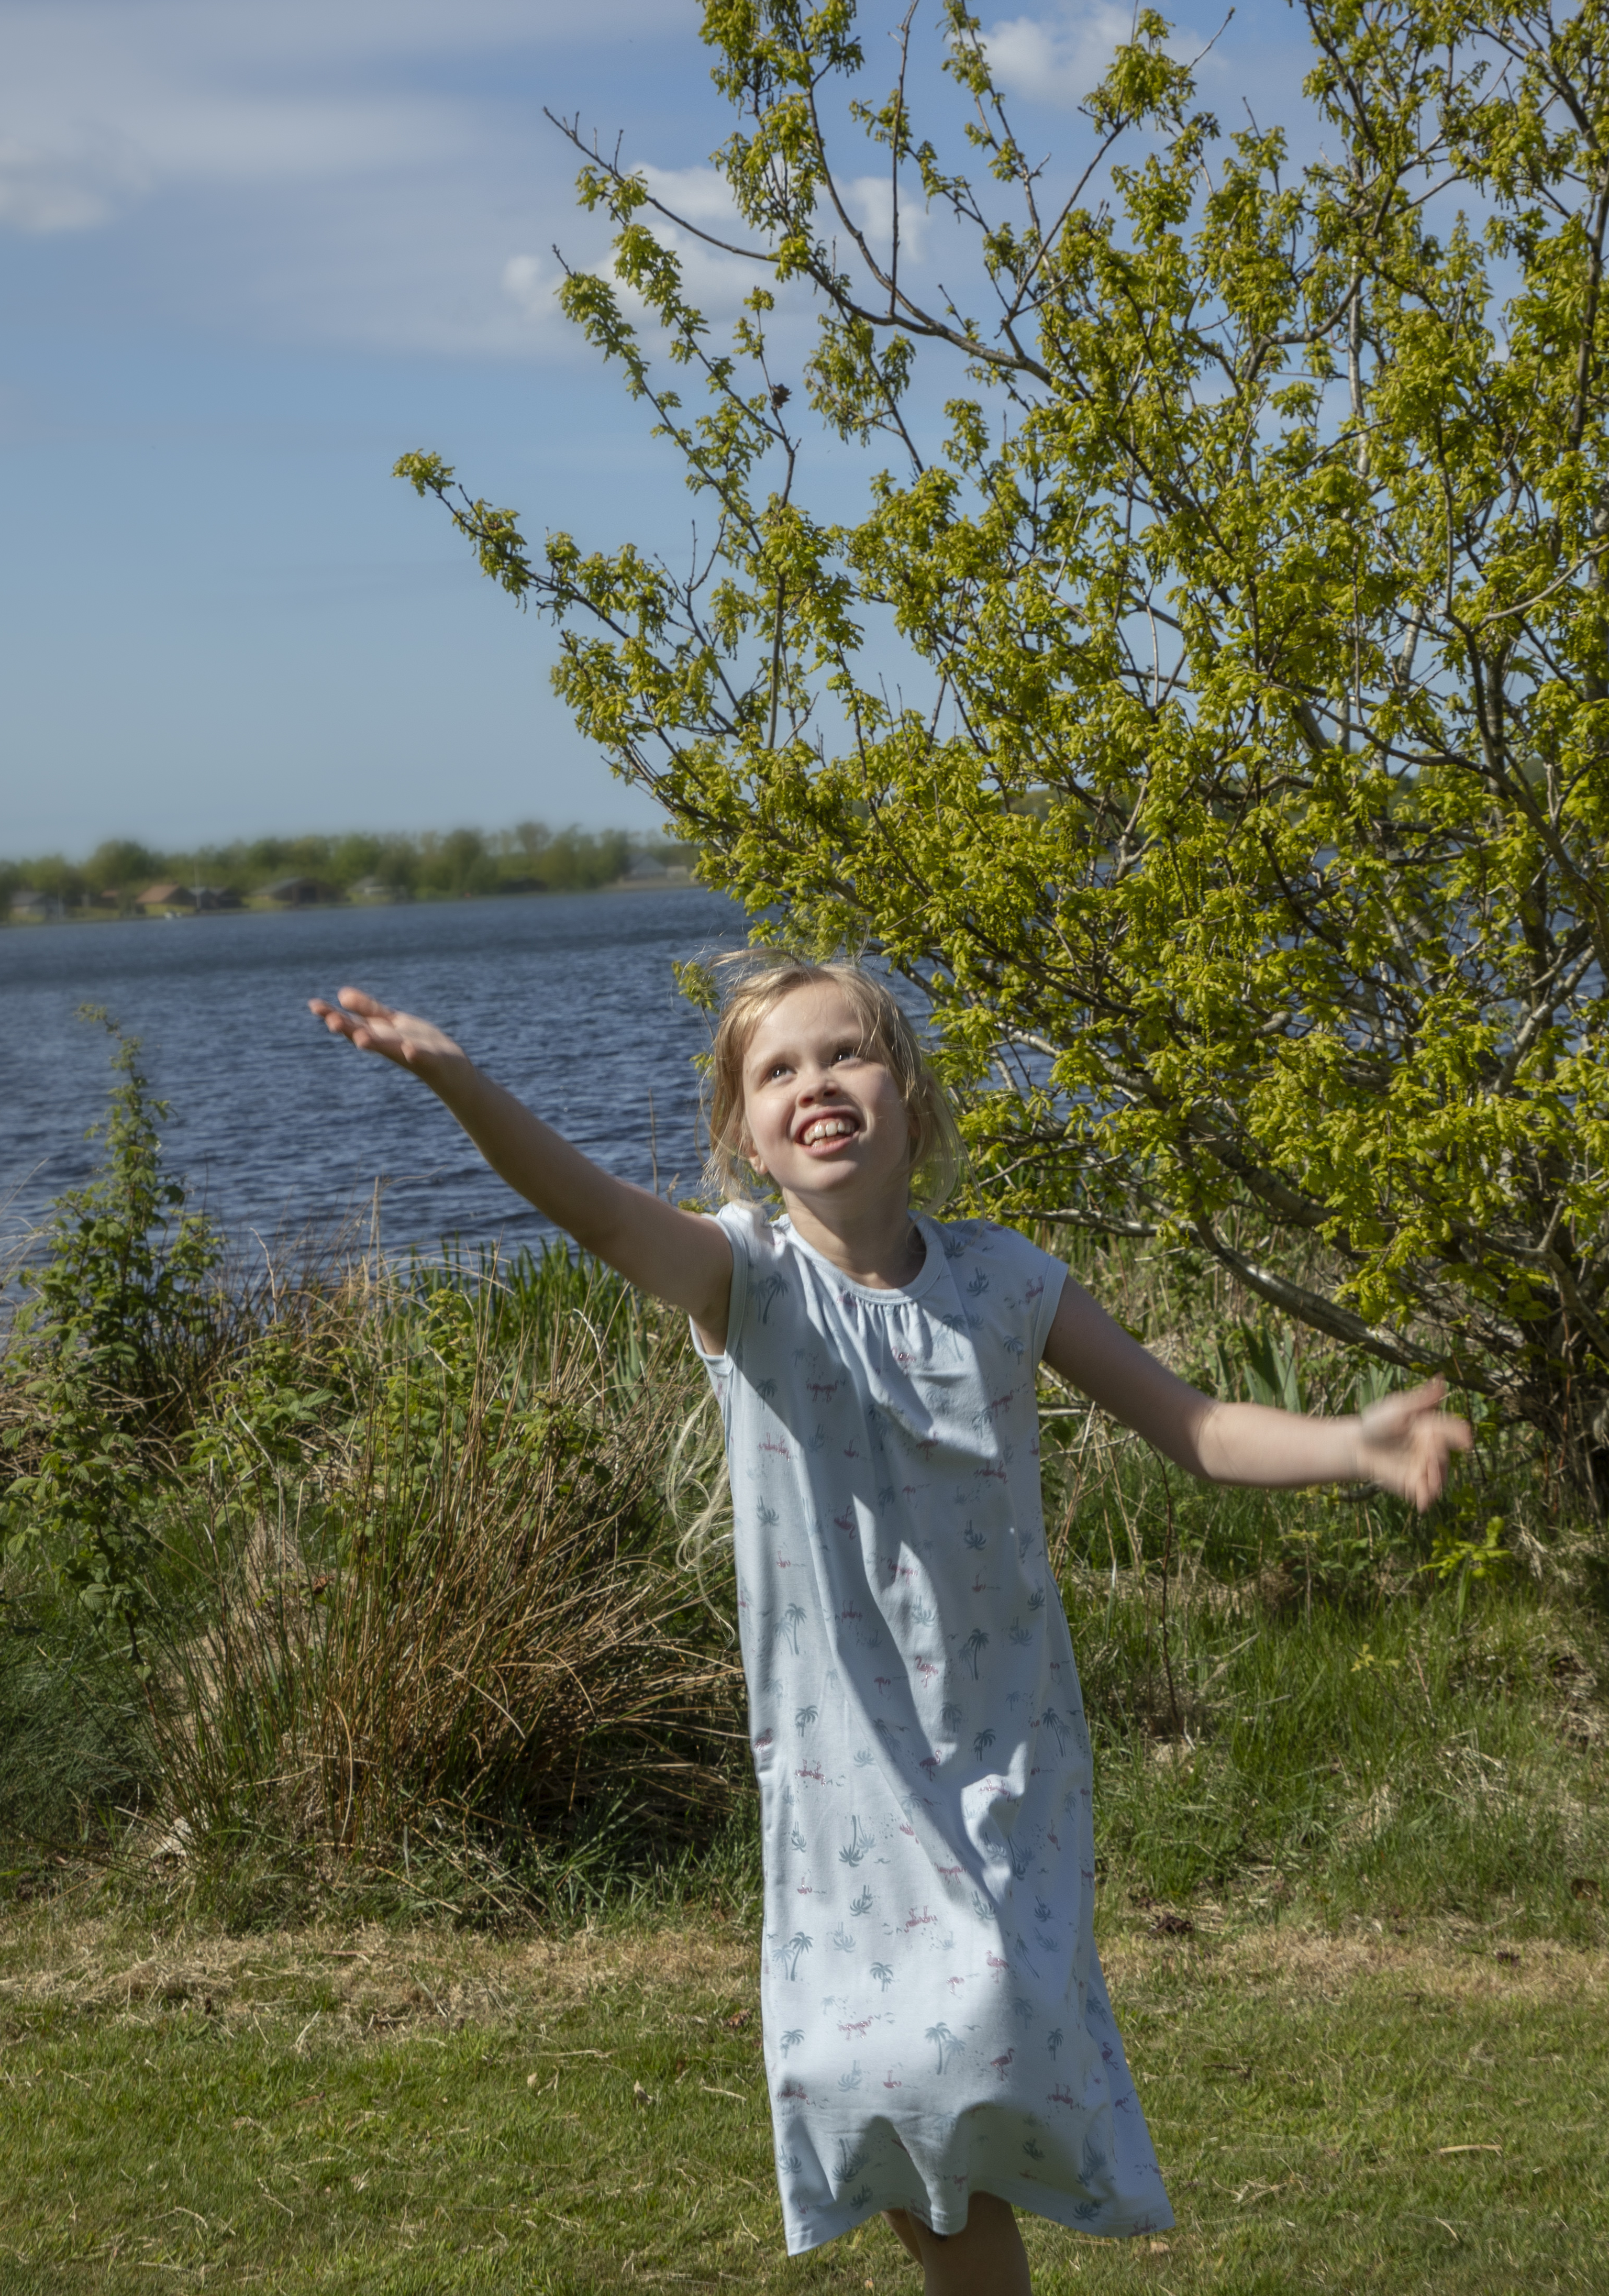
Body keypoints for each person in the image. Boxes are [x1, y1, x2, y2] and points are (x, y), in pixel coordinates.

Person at [311, 956, 1469, 2296]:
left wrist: (1354, 1443)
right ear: (742, 1135)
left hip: (1002, 1750)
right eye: (778, 1070)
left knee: (973, 2045)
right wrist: (462, 1083)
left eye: (847, 1054)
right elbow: (598, 1216)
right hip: (843, 1759)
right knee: (891, 2070)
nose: (818, 1084)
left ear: (910, 1100)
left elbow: (1198, 1427)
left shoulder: (1009, 1280)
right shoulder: (746, 1278)